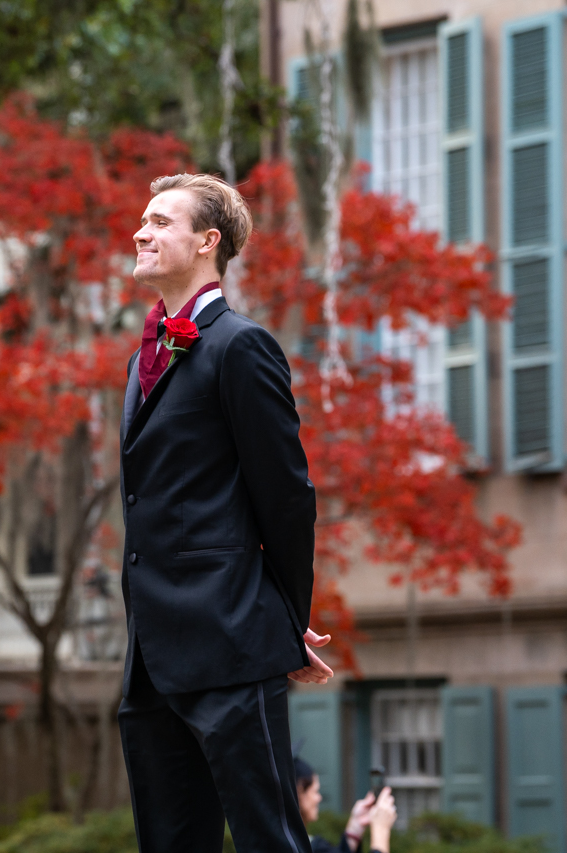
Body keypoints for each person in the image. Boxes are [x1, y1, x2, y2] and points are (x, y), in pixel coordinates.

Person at [117, 172, 333, 853]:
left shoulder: (242, 346)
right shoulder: (141, 359)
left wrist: (286, 621)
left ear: (208, 241)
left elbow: (287, 497)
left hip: (231, 644)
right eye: (141, 221)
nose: (140, 232)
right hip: (152, 659)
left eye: (159, 221)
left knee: (272, 841)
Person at [294, 757, 398, 853]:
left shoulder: (297, 844)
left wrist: (355, 829)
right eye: (315, 791)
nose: (319, 798)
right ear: (299, 790)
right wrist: (380, 832)